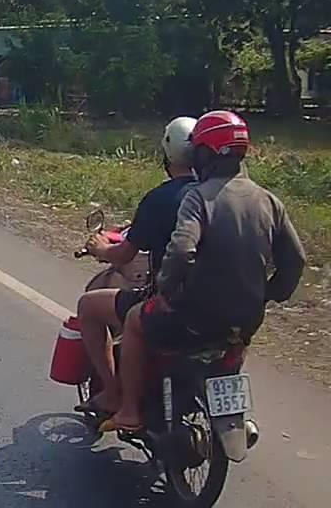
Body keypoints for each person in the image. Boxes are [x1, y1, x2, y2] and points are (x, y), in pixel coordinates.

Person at [103, 110, 306, 432]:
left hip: (194, 316)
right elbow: (295, 260)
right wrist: (268, 294)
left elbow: (182, 250)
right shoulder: (269, 201)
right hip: (248, 317)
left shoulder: (199, 198)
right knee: (232, 341)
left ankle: (128, 411)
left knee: (134, 321)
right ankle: (230, 410)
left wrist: (167, 292)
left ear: (204, 154)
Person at [75, 117, 197, 416]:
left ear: (167, 154)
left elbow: (124, 255)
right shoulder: (223, 195)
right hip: (227, 304)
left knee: (90, 307)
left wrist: (101, 249)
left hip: (174, 302)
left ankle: (116, 396)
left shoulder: (161, 198)